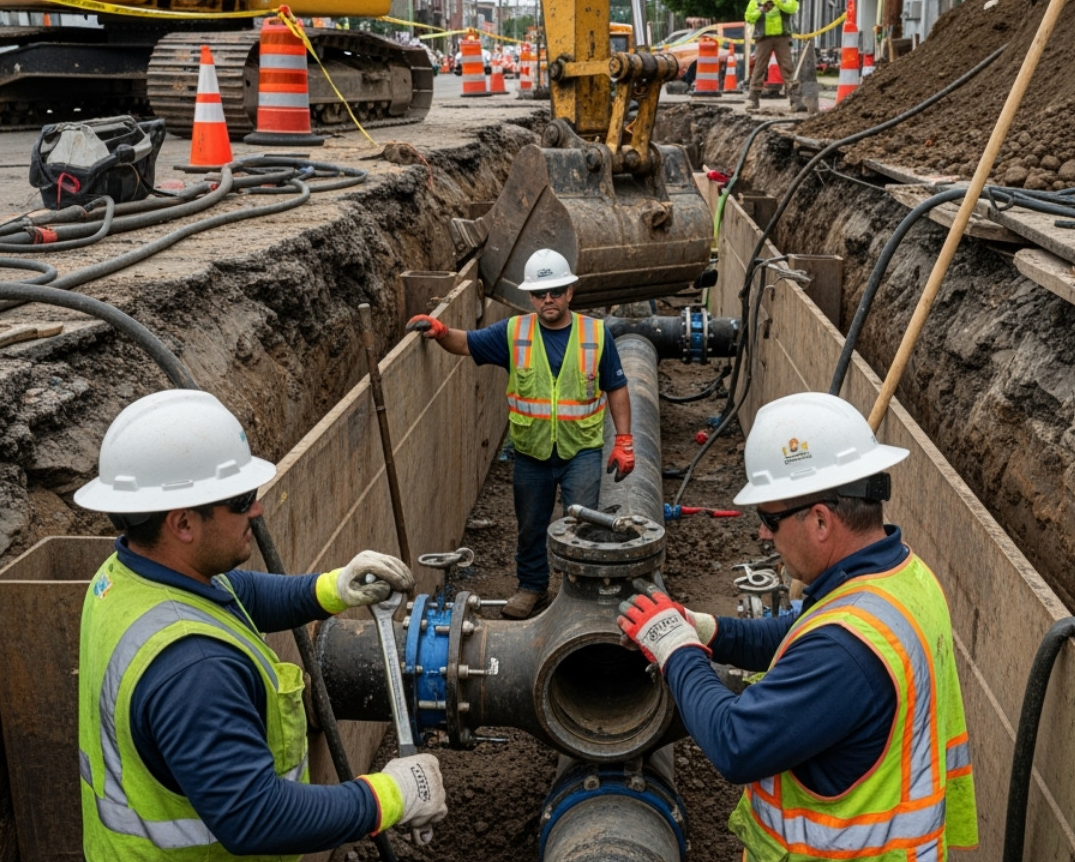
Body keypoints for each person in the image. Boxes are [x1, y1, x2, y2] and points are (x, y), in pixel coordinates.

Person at [74, 389, 447, 859]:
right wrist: (391, 796)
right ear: (183, 524)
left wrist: (334, 588)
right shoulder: (195, 670)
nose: (258, 509)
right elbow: (257, 817)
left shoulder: (124, 575)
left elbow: (240, 594)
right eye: (241, 499)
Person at [618, 392, 977, 861]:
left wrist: (677, 650)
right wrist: (706, 630)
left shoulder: (845, 652)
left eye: (769, 518)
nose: (763, 534)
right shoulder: (899, 577)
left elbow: (736, 743)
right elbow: (796, 636)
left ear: (822, 521)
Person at [410, 248, 633, 619]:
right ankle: (532, 588)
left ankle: (578, 593)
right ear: (530, 297)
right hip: (532, 452)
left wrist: (624, 440)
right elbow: (466, 343)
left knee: (583, 526)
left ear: (570, 293)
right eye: (541, 293)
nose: (549, 299)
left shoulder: (596, 334)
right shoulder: (515, 332)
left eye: (556, 291)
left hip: (581, 450)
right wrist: (441, 332)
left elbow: (617, 387)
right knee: (531, 526)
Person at [744, 0, 801, 112]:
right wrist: (762, 10)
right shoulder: (756, 1)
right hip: (763, 38)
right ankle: (753, 99)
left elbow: (793, 8)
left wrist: (777, 3)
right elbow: (748, 17)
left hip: (782, 37)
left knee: (787, 67)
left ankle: (795, 100)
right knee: (759, 68)